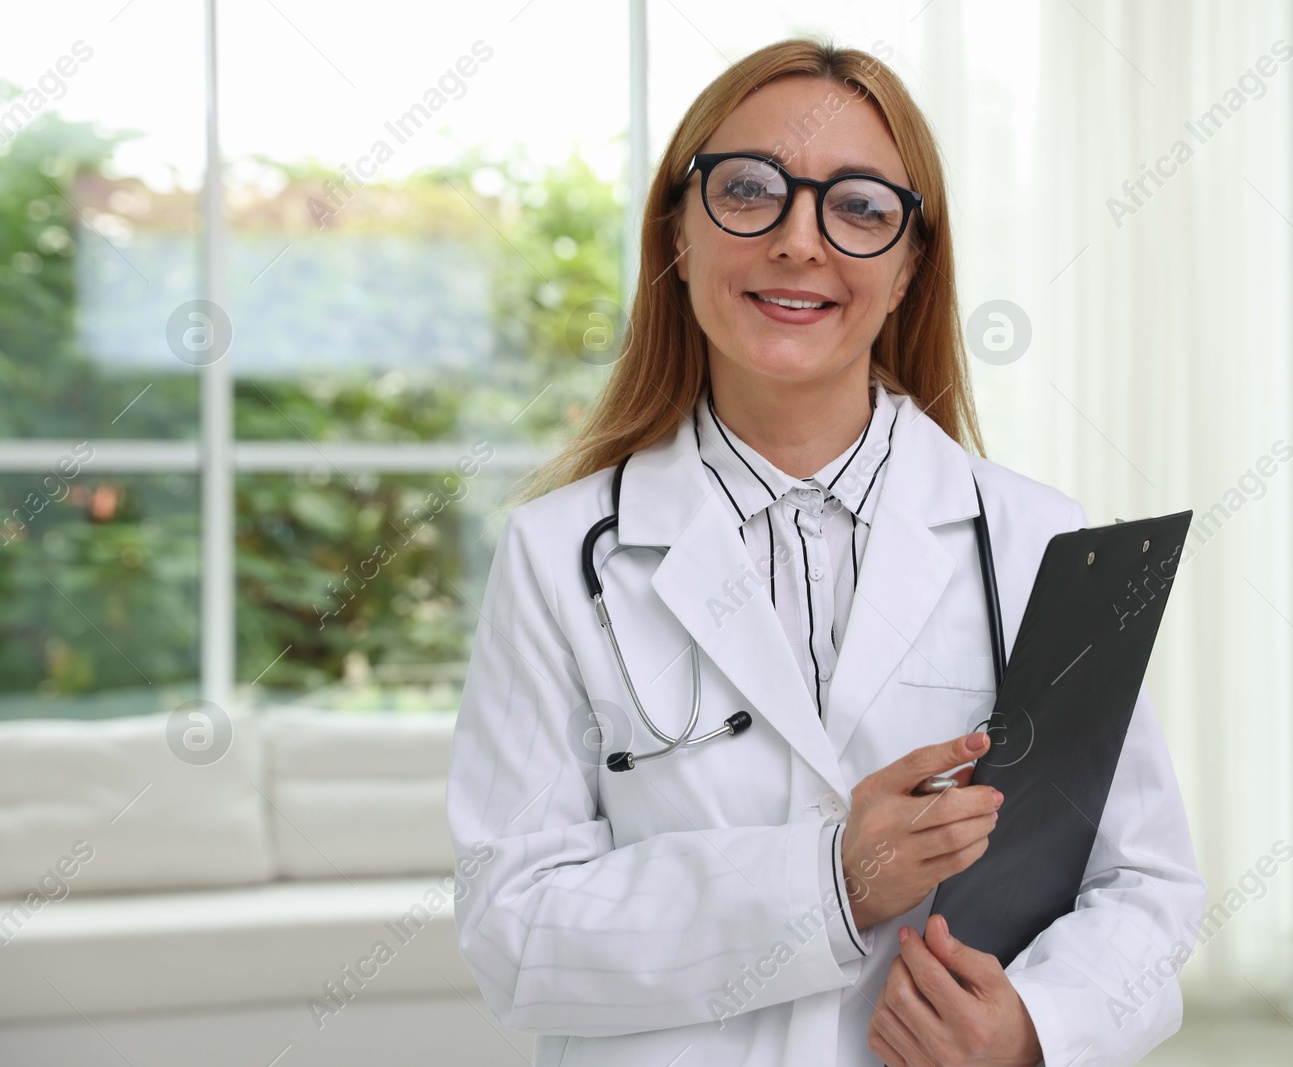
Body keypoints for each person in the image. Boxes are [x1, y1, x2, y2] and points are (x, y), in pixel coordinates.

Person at [447, 36, 1205, 1067]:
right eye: (749, 189)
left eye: (858, 206)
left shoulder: (1033, 541)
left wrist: (1032, 1024)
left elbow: (1146, 886)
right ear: (677, 230)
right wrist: (827, 882)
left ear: (907, 269)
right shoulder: (558, 555)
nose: (799, 241)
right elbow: (511, 926)